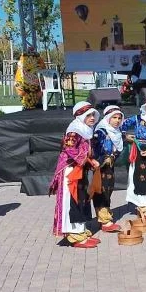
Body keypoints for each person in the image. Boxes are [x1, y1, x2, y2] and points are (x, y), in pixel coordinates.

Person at [49, 102, 100, 248]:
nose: (92, 118)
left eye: (93, 115)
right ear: (80, 116)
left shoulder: (85, 130)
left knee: (81, 199)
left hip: (80, 169)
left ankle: (80, 231)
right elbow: (69, 149)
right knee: (72, 200)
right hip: (70, 170)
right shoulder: (74, 130)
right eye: (88, 115)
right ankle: (74, 235)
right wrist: (88, 160)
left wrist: (90, 160)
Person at [91, 105, 124, 232]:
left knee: (108, 190)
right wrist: (104, 158)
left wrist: (112, 156)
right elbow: (95, 150)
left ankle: (105, 216)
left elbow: (117, 149)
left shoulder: (117, 132)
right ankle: (104, 221)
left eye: (119, 118)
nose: (117, 120)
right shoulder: (100, 132)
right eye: (114, 117)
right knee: (101, 191)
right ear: (108, 118)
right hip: (99, 168)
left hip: (109, 167)